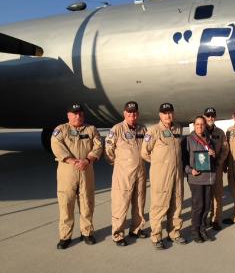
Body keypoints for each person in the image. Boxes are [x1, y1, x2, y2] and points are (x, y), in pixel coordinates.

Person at [51, 103, 103, 250]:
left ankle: (86, 233)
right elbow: (56, 145)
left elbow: (98, 146)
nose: (78, 116)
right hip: (68, 171)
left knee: (87, 202)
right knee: (66, 204)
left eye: (80, 113)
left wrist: (88, 160)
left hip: (86, 170)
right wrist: (71, 160)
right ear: (68, 115)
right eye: (74, 113)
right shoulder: (61, 129)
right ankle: (65, 237)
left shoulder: (91, 129)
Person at [141, 103, 186, 250]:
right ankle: (156, 236)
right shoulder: (153, 131)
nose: (168, 115)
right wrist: (159, 164)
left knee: (177, 204)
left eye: (170, 112)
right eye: (164, 113)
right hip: (161, 175)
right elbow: (144, 153)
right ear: (160, 115)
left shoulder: (178, 128)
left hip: (177, 174)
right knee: (159, 205)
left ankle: (174, 233)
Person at [105, 101, 148, 247]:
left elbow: (148, 147)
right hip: (123, 173)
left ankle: (136, 229)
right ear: (125, 114)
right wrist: (119, 164)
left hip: (140, 171)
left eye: (134, 113)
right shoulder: (117, 129)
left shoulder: (142, 129)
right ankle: (118, 234)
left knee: (139, 201)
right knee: (121, 203)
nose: (132, 116)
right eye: (129, 113)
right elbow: (108, 151)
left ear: (137, 114)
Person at [183, 116, 217, 243]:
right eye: (197, 124)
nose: (199, 127)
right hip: (195, 178)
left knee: (207, 205)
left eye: (202, 124)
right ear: (194, 125)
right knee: (198, 205)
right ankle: (195, 231)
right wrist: (189, 170)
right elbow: (184, 160)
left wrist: (213, 154)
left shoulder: (209, 139)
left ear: (205, 126)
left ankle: (203, 229)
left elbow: (213, 160)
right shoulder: (188, 140)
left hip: (208, 178)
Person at [203, 107, 229, 231]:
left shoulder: (220, 132)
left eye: (213, 115)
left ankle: (216, 220)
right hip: (203, 170)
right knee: (204, 196)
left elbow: (225, 150)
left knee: (217, 195)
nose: (210, 118)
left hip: (216, 168)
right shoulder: (200, 131)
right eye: (208, 116)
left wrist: (219, 162)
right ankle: (204, 219)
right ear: (204, 117)